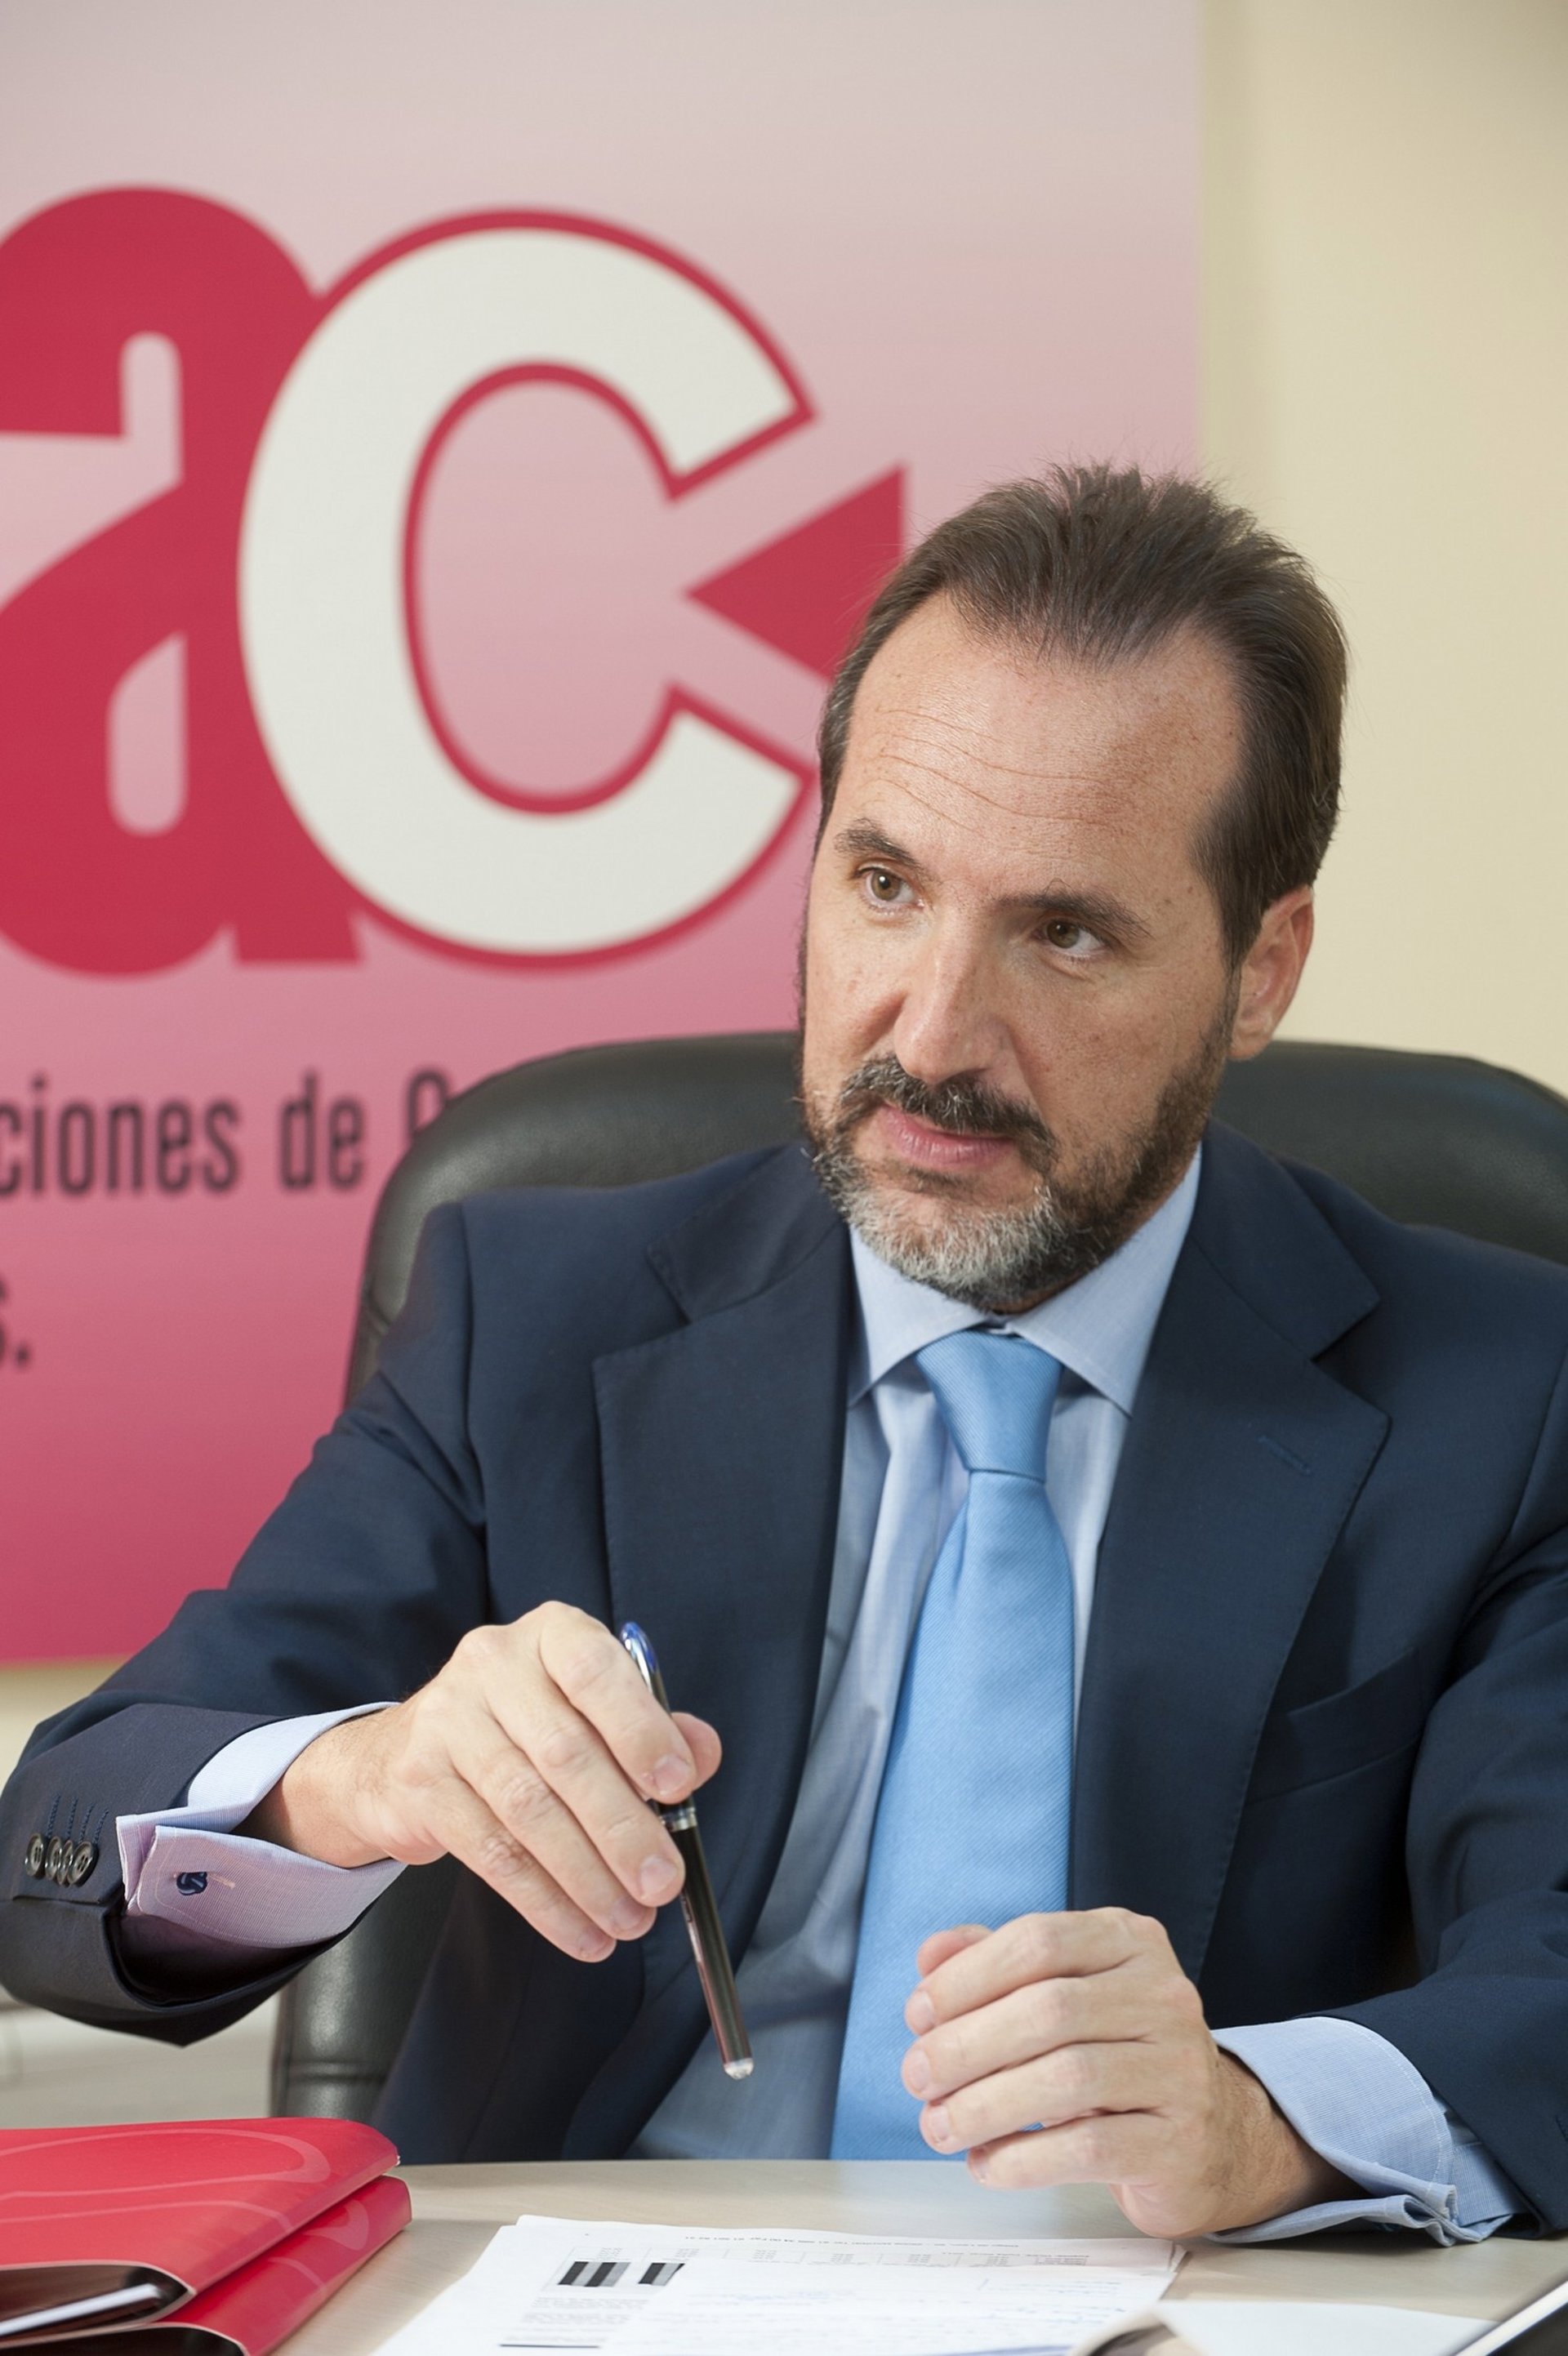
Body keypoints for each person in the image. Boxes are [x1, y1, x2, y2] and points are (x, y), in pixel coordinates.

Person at [6, 466, 1568, 2243]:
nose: (936, 1034)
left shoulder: (1500, 1394)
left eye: (1064, 933)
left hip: (1184, 2307)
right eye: (886, 884)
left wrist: (1260, 2119)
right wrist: (355, 1777)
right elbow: (53, 1847)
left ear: (1263, 967)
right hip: (601, 2301)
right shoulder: (535, 1316)